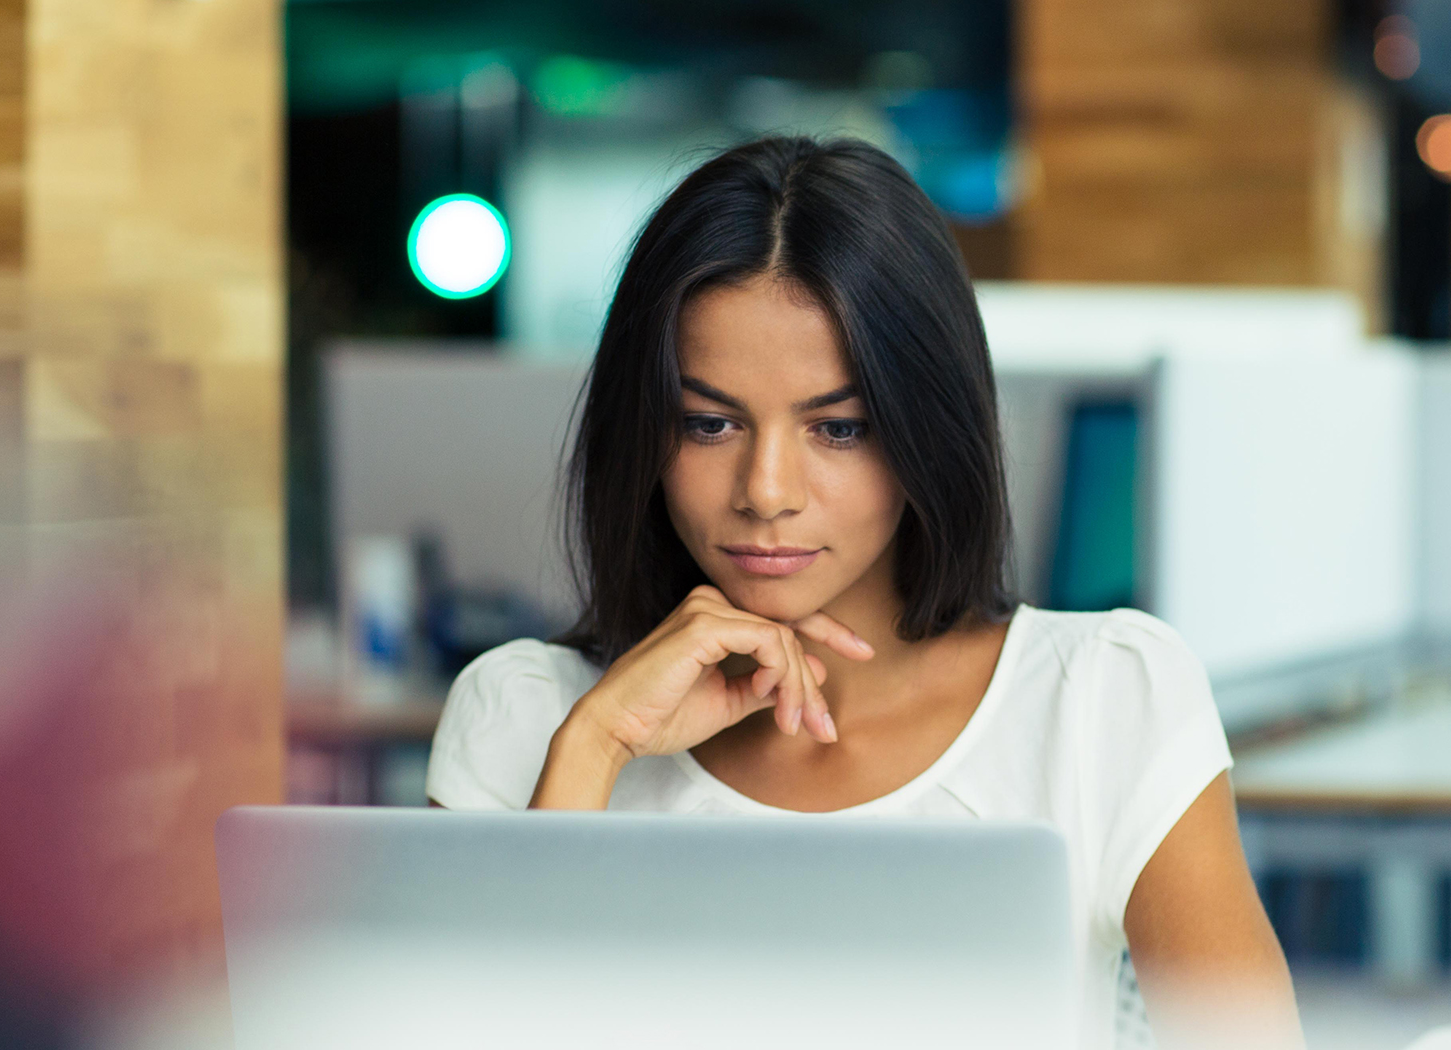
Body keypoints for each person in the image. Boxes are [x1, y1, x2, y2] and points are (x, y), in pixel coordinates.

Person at [425, 136, 1301, 1049]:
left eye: (837, 428)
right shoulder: (525, 718)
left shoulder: (1104, 700)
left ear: (927, 430)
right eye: (710, 423)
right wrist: (596, 749)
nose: (765, 490)